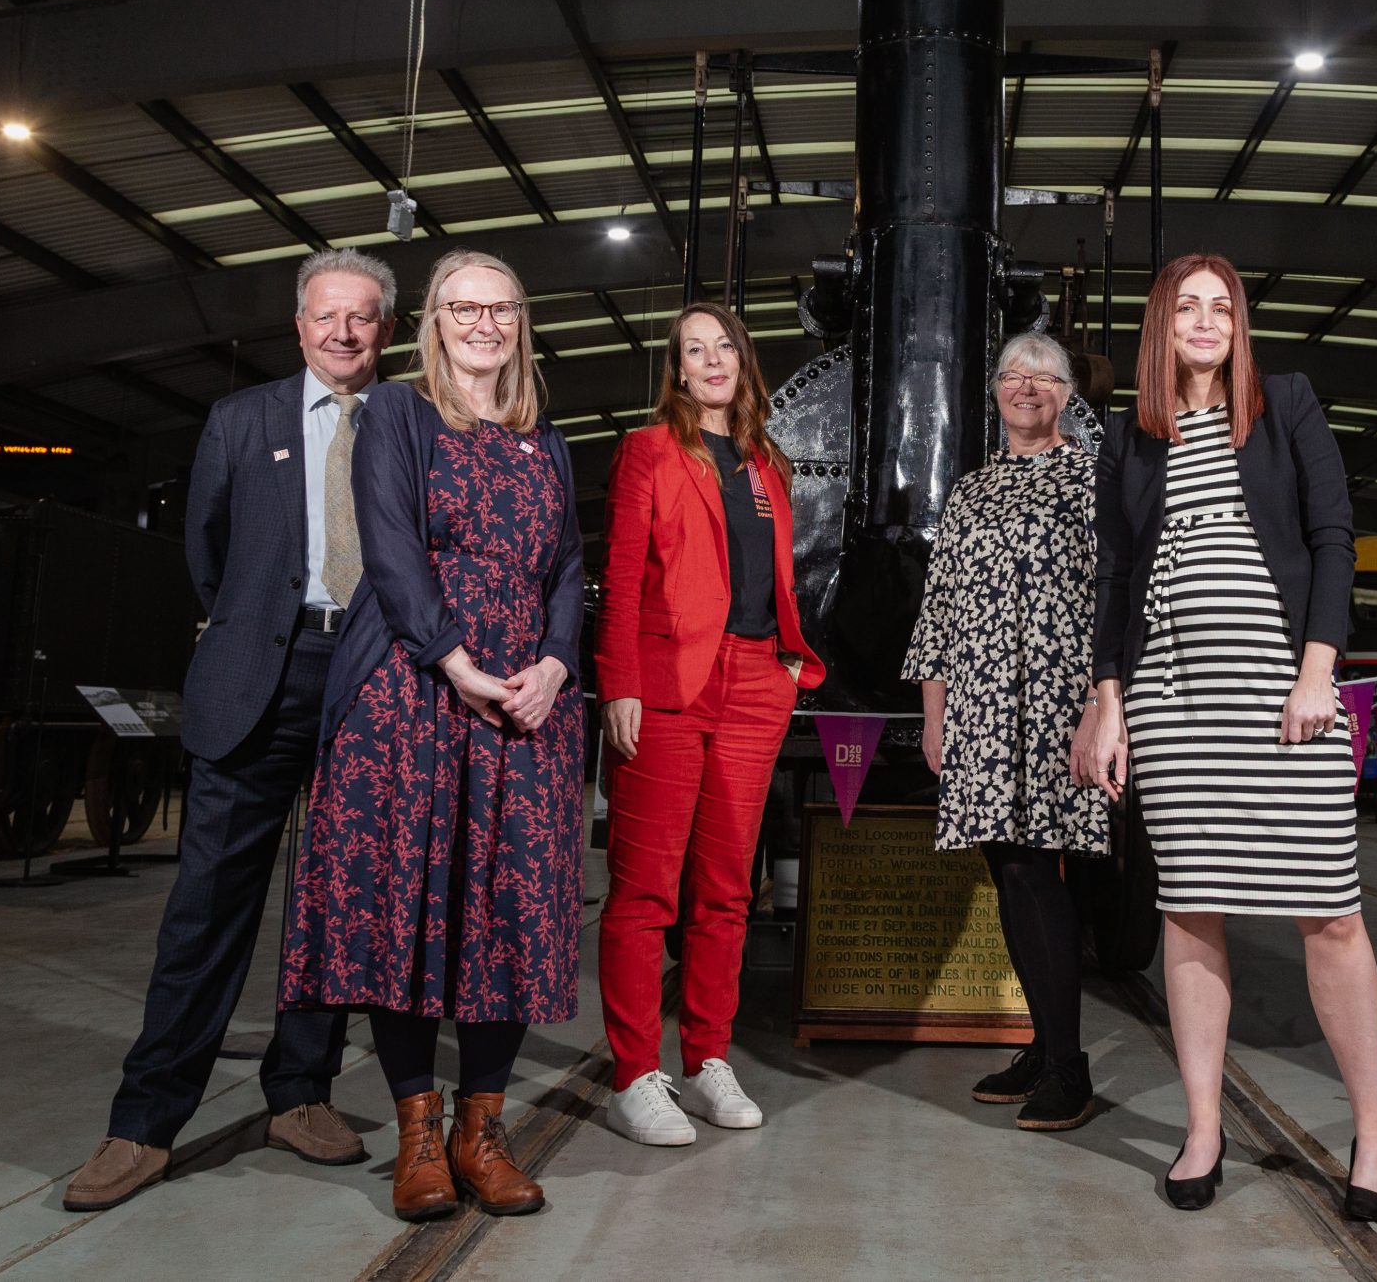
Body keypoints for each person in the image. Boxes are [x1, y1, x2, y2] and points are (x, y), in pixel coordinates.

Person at [1074, 255, 1377, 1221]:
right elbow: (1113, 576)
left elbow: (1334, 536)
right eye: (1189, 306)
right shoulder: (1132, 437)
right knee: (1192, 909)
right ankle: (1205, 1126)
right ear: (1161, 326)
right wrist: (1110, 699)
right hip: (1173, 706)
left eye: (1223, 306)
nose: (1207, 321)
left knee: (1331, 913)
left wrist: (1316, 672)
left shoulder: (1285, 402)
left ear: (1240, 323)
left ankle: (1373, 1133)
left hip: (1280, 697)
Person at [67, 250, 392, 1213]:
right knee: (207, 905)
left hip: (367, 680)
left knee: (332, 907)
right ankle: (144, 1121)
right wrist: (258, 628)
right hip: (260, 672)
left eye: (363, 318)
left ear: (384, 329)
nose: (343, 332)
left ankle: (301, 1093)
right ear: (300, 326)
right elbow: (207, 554)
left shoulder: (409, 426)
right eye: (326, 316)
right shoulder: (240, 420)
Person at [278, 250, 585, 1223]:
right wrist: (455, 661)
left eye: (499, 306)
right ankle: (417, 1129)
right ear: (436, 320)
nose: (482, 322)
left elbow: (572, 565)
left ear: (519, 321)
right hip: (414, 688)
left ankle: (479, 1130)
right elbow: (394, 549)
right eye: (464, 306)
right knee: (401, 912)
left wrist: (557, 665)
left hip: (524, 700)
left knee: (502, 911)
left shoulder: (549, 440)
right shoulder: (400, 417)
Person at [593, 301, 824, 1146]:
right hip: (669, 683)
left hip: (757, 679)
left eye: (723, 344)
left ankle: (705, 1060)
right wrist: (618, 681)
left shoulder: (768, 462)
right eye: (694, 349)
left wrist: (788, 667)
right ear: (679, 371)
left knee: (727, 889)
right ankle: (632, 1074)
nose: (712, 359)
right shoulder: (648, 451)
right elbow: (621, 577)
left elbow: (770, 577)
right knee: (647, 889)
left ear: (742, 360)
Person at [904, 332, 1112, 1133]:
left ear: (1067, 394)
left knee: (1033, 873)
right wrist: (935, 711)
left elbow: (1112, 602)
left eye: (1045, 376)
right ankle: (1044, 1041)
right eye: (1014, 375)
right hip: (980, 711)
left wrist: (1103, 707)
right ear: (995, 391)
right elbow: (942, 609)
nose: (1028, 386)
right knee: (1009, 872)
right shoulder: (972, 489)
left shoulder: (1093, 479)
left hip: (1059, 708)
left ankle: (1068, 1063)